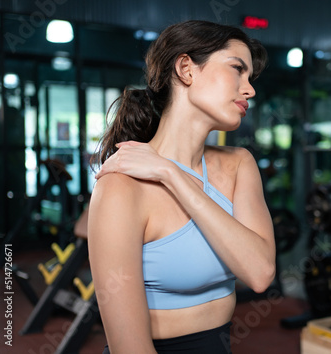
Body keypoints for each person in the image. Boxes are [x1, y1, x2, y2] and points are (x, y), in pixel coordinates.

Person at [87, 20, 276, 354]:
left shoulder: (239, 164)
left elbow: (260, 273)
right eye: (237, 69)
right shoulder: (121, 186)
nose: (250, 90)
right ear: (187, 69)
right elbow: (129, 348)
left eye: (251, 78)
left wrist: (171, 175)